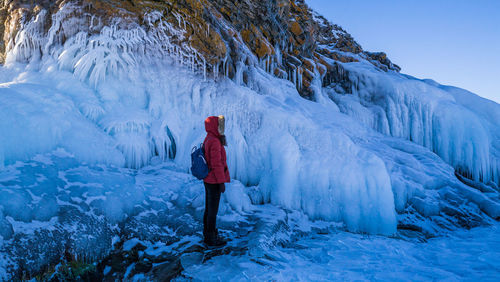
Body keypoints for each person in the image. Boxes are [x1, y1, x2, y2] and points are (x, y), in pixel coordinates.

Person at [202, 115, 230, 246]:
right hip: (213, 181)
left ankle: (208, 234)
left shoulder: (209, 138)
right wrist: (221, 182)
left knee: (209, 209)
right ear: (214, 126)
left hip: (208, 180)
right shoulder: (214, 141)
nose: (221, 128)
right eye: (219, 125)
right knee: (212, 211)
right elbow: (216, 164)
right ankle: (211, 238)